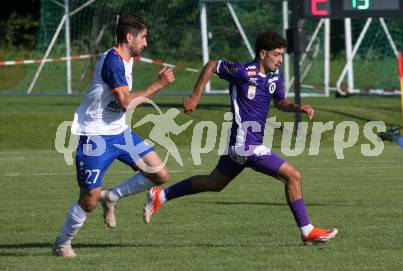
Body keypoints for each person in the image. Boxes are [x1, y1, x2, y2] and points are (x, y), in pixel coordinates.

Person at [144, 32, 338, 245]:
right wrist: (194, 97)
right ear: (262, 54)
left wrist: (297, 107)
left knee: (215, 182)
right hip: (245, 145)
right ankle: (307, 231)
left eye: (282, 55)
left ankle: (160, 196)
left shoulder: (274, 76)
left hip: (244, 145)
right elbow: (211, 66)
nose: (280, 60)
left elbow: (280, 101)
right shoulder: (244, 72)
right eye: (276, 55)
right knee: (293, 176)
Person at [53, 15, 175, 257]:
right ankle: (62, 243)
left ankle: (112, 196)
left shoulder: (127, 60)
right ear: (129, 37)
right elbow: (126, 102)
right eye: (143, 38)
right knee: (88, 201)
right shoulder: (113, 61)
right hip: (95, 137)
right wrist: (158, 85)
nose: (146, 43)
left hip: (119, 132)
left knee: (159, 173)